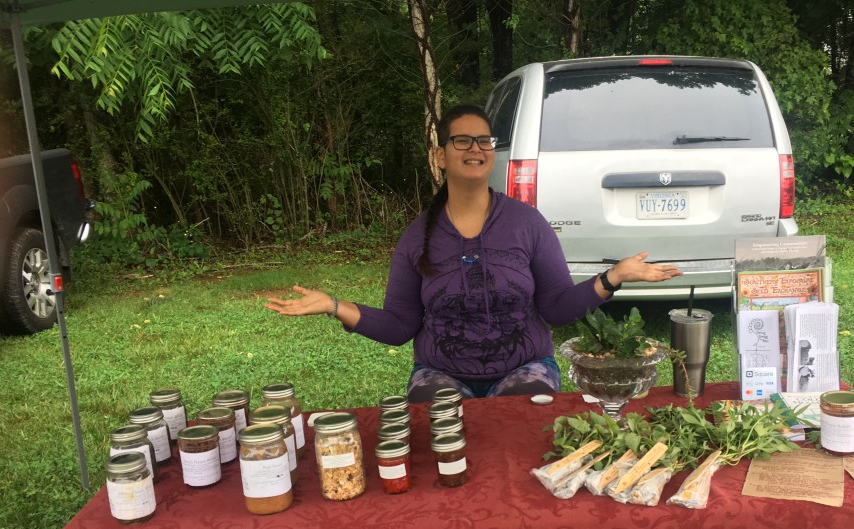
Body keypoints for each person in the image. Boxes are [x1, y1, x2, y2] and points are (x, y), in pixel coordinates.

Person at [265, 104, 683, 402]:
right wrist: (334, 305)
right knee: (441, 442)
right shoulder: (416, 238)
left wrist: (614, 276)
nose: (475, 149)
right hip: (440, 373)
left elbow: (556, 309)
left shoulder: (527, 223)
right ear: (439, 155)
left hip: (526, 369)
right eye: (462, 140)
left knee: (521, 425)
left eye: (484, 141)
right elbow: (399, 326)